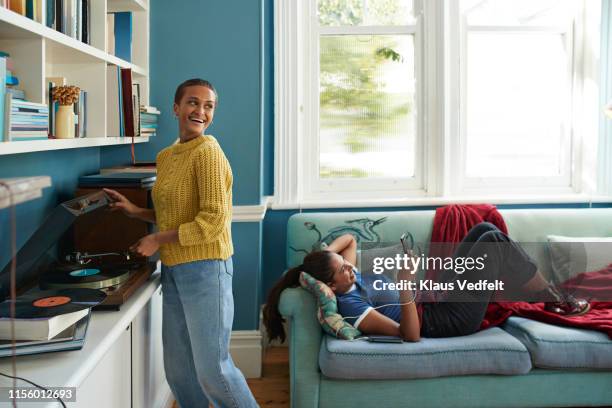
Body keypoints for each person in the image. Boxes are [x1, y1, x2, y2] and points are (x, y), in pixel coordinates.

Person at [104, 79, 258, 407]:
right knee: (179, 373)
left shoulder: (209, 153)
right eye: (192, 102)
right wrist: (134, 211)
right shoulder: (167, 156)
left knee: (214, 370)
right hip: (174, 271)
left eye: (208, 106)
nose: (200, 111)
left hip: (207, 271)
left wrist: (157, 239)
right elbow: (171, 213)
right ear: (176, 108)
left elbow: (213, 221)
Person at [263, 223, 590, 342]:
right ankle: (551, 297)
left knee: (483, 229)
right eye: (343, 270)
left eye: (346, 264)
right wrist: (405, 283)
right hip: (446, 320)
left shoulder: (347, 279)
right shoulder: (351, 305)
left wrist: (325, 258)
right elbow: (411, 335)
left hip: (437, 296)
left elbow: (347, 238)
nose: (350, 267)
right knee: (492, 241)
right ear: (331, 288)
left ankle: (544, 294)